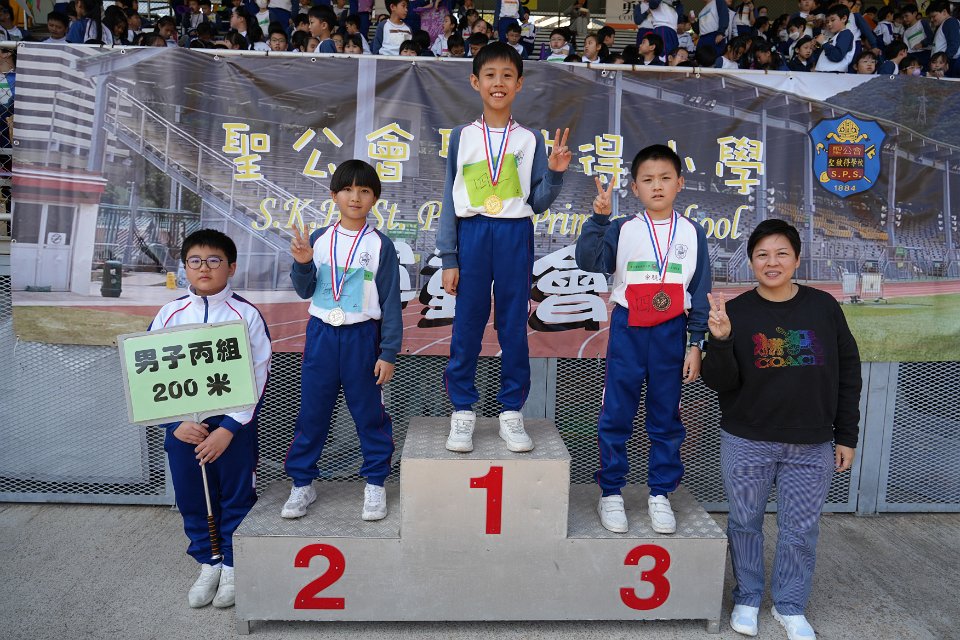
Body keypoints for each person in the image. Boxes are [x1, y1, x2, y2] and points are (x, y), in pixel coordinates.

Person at [701, 219, 860, 640]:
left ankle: (790, 605)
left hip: (811, 443)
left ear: (797, 259)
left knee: (800, 529)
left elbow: (849, 371)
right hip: (746, 440)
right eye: (762, 255)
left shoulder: (823, 307)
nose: (772, 263)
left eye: (781, 254)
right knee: (744, 522)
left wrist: (846, 435)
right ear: (751, 262)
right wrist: (720, 341)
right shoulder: (736, 312)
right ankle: (748, 597)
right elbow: (719, 382)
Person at [438, 42, 570, 454]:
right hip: (473, 234)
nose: (499, 83)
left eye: (507, 76)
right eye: (490, 75)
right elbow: (450, 197)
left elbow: (537, 201)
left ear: (519, 84)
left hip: (514, 235)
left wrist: (555, 174)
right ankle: (462, 409)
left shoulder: (529, 140)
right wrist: (449, 256)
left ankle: (511, 411)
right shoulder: (462, 136)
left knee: (513, 326)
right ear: (475, 82)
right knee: (467, 325)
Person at [575, 144, 709, 535]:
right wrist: (598, 220)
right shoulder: (622, 227)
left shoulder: (693, 232)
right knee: (617, 412)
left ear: (680, 183)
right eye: (648, 180)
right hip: (629, 327)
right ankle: (611, 492)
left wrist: (696, 343)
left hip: (671, 330)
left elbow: (699, 291)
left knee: (666, 415)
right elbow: (589, 261)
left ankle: (660, 493)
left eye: (665, 178)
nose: (657, 186)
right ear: (635, 188)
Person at [150, 229, 272, 609]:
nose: (204, 268)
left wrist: (229, 428)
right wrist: (174, 424)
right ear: (185, 267)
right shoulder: (169, 314)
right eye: (195, 261)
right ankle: (209, 562)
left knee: (235, 496)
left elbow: (259, 372)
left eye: (214, 260)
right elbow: (150, 376)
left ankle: (233, 564)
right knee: (192, 497)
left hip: (233, 430)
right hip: (183, 428)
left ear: (231, 267)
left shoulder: (246, 315)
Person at [281, 160, 402, 522]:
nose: (355, 197)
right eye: (347, 189)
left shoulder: (381, 245)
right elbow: (304, 290)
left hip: (362, 338)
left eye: (364, 191)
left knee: (369, 415)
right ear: (334, 195)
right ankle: (303, 483)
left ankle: (375, 483)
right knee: (313, 413)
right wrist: (303, 263)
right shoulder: (318, 239)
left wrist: (388, 352)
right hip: (321, 336)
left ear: (375, 198)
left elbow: (390, 301)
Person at [814, 4, 856, 72]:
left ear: (844, 18)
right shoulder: (835, 36)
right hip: (827, 74)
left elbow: (837, 56)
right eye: (827, 22)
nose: (829, 24)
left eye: (833, 20)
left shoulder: (846, 34)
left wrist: (824, 42)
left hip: (834, 74)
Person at [927, 0, 960, 77]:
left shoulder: (950, 22)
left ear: (944, 12)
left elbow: (953, 45)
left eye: (934, 16)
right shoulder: (944, 24)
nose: (931, 20)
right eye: (930, 17)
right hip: (944, 63)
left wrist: (944, 63)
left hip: (949, 64)